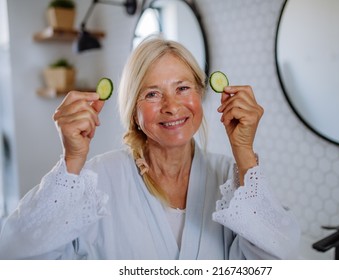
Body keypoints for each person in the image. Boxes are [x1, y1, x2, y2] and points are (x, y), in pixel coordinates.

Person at [0, 37, 300, 260]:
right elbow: (15, 255)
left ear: (200, 94)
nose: (172, 107)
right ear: (133, 111)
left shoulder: (232, 180)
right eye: (153, 94)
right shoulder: (94, 180)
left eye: (182, 88)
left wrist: (244, 152)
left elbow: (278, 259)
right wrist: (72, 160)